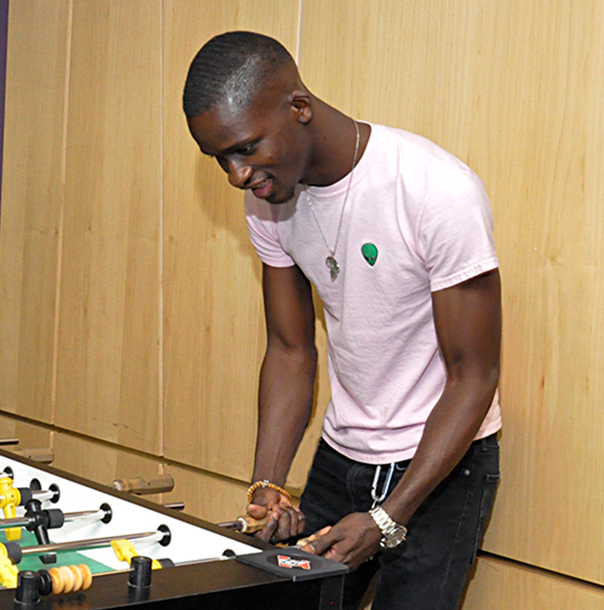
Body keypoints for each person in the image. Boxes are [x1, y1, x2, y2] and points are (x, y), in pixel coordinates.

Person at [182, 32, 502, 610]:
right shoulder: (267, 196)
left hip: (440, 464)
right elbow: (288, 348)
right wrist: (267, 487)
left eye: (246, 148)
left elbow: (473, 376)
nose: (235, 175)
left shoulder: (435, 191)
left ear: (299, 108)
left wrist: (388, 517)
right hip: (343, 449)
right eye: (221, 158)